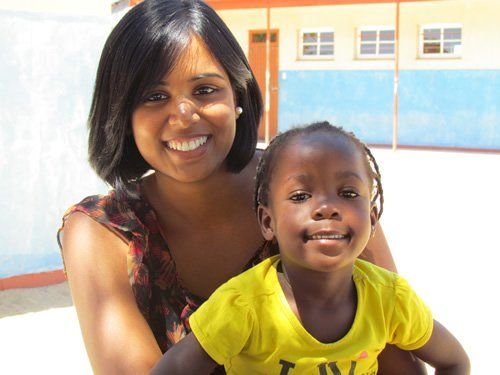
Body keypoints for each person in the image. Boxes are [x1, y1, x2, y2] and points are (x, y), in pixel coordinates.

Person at [58, 0, 425, 373]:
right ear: (121, 113)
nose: (184, 116)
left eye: (205, 90)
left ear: (238, 96)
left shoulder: (318, 187)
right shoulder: (101, 231)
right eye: (154, 96)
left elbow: (396, 355)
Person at [151, 122, 470, 374]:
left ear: (372, 219)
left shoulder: (391, 300)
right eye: (301, 196)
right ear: (268, 222)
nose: (327, 208)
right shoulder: (242, 307)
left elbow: (455, 362)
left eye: (347, 193)